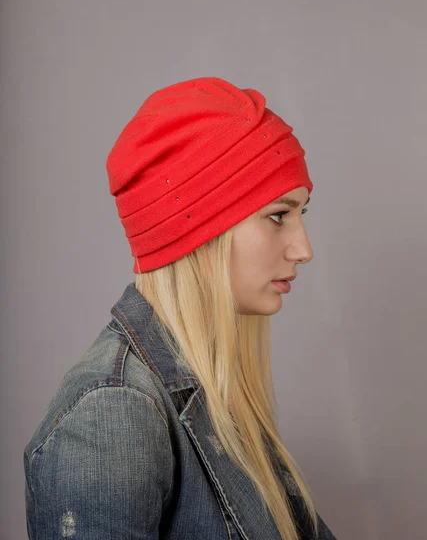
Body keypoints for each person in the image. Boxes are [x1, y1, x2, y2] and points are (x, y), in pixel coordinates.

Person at [23, 76, 338, 539]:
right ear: (200, 232)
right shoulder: (113, 413)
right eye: (277, 215)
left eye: (300, 215)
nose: (302, 249)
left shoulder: (208, 387)